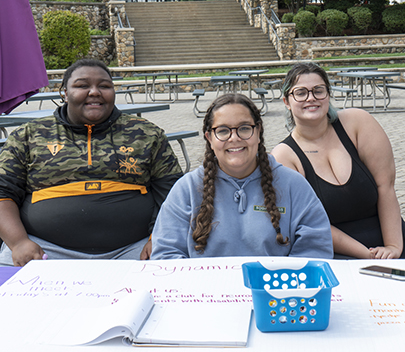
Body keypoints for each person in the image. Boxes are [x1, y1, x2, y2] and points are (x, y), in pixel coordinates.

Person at [0, 59, 183, 266]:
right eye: (82, 85)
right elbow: (3, 194)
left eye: (104, 86)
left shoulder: (147, 134)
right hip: (43, 250)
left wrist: (157, 239)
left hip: (136, 249)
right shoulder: (29, 136)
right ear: (64, 93)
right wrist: (18, 242)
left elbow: (173, 193)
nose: (95, 92)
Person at [151, 93, 333, 259]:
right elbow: (166, 254)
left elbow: (316, 248)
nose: (234, 138)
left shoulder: (293, 185)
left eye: (244, 128)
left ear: (258, 132)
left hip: (275, 292)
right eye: (222, 131)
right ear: (209, 138)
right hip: (207, 292)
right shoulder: (186, 189)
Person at [271, 62, 405, 259]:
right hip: (336, 252)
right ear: (286, 101)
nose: (311, 98)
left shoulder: (358, 123)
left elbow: (385, 186)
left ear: (328, 95)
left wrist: (393, 246)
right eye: (300, 92)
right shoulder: (284, 156)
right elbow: (308, 221)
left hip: (389, 237)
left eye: (318, 90)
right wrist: (369, 256)